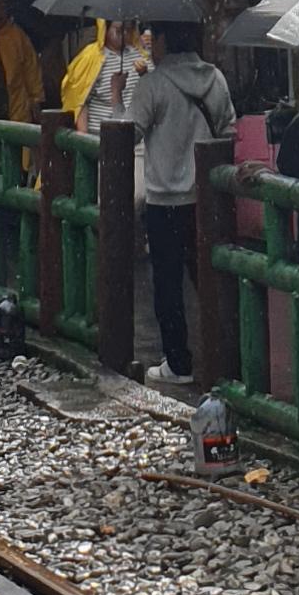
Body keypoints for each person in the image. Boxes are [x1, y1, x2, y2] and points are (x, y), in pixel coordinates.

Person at [126, 28, 235, 386]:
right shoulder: (215, 78)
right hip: (206, 198)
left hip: (165, 200)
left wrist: (120, 98)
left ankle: (179, 362)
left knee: (168, 284)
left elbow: (127, 134)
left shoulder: (153, 85)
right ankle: (226, 359)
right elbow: (228, 130)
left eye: (152, 38)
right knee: (211, 280)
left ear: (163, 42)